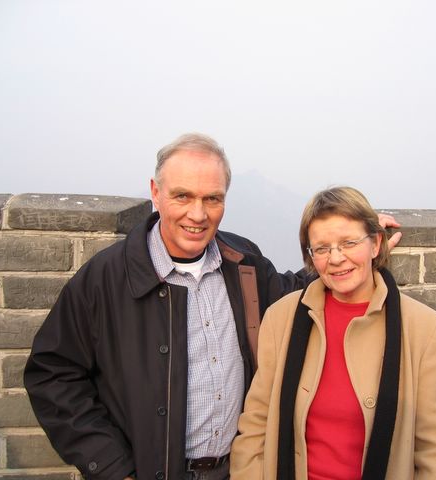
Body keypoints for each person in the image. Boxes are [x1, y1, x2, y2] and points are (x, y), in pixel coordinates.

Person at [24, 134, 402, 480]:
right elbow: (52, 374)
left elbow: (295, 292)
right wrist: (111, 467)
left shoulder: (243, 262)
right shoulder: (106, 278)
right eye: (182, 196)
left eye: (212, 199)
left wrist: (356, 243)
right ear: (155, 192)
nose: (198, 214)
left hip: (236, 471)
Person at [230, 186, 436, 480]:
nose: (336, 258)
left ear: (376, 244)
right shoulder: (282, 319)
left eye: (349, 242)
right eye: (322, 248)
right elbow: (256, 424)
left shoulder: (424, 329)